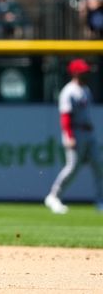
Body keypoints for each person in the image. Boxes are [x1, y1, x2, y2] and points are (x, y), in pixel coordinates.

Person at [44, 59, 103, 214]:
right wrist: (69, 136)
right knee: (72, 168)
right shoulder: (68, 91)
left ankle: (100, 201)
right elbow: (65, 116)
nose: (86, 73)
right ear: (75, 72)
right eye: (83, 71)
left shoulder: (86, 89)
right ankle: (54, 196)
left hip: (89, 133)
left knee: (99, 165)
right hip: (75, 133)